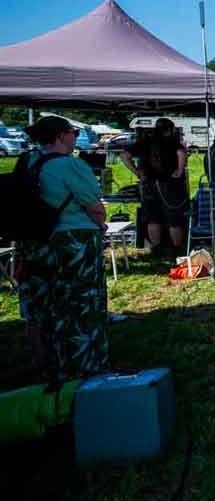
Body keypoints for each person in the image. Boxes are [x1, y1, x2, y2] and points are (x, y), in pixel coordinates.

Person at [17, 116, 110, 381]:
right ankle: (86, 367)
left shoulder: (28, 162)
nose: (75, 136)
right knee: (82, 304)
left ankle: (48, 363)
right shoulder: (70, 165)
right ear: (60, 136)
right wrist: (100, 221)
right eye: (73, 132)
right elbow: (95, 209)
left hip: (35, 244)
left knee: (44, 306)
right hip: (73, 244)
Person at [120, 117, 188, 254]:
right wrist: (180, 170)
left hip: (148, 183)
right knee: (174, 217)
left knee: (153, 218)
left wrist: (137, 172)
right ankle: (177, 248)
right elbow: (181, 153)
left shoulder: (145, 141)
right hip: (169, 183)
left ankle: (156, 248)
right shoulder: (172, 141)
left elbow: (124, 155)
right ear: (170, 130)